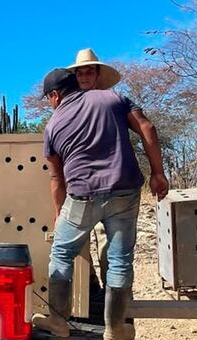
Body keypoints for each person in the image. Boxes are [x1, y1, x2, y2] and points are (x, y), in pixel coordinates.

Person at [34, 69, 169, 340]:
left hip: (82, 196)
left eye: (48, 97)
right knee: (120, 261)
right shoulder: (112, 98)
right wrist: (158, 173)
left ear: (55, 95)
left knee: (61, 254)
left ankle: (59, 322)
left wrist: (60, 213)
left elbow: (57, 178)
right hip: (125, 190)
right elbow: (147, 128)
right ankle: (115, 329)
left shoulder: (53, 125)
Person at [67, 48, 123, 287]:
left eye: (89, 71)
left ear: (98, 74)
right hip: (81, 185)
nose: (84, 76)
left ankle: (112, 296)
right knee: (79, 243)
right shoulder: (70, 107)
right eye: (80, 72)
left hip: (110, 184)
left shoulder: (113, 102)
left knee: (108, 243)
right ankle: (90, 291)